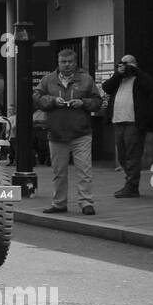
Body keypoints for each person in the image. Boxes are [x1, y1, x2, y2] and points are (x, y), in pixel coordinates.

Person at [35, 49, 102, 215]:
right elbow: (37, 97)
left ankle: (86, 203)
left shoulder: (86, 79)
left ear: (75, 62)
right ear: (58, 63)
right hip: (56, 134)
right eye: (63, 62)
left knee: (84, 171)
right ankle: (59, 203)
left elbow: (98, 101)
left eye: (70, 62)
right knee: (59, 173)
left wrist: (83, 102)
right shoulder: (48, 80)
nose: (66, 65)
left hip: (81, 133)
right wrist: (52, 101)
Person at [102, 53, 153, 198]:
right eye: (122, 63)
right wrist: (118, 74)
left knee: (133, 155)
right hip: (118, 121)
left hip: (134, 122)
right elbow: (106, 87)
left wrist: (135, 71)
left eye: (128, 64)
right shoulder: (118, 79)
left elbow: (150, 86)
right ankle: (130, 182)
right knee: (122, 155)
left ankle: (132, 186)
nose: (125, 67)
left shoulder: (139, 79)